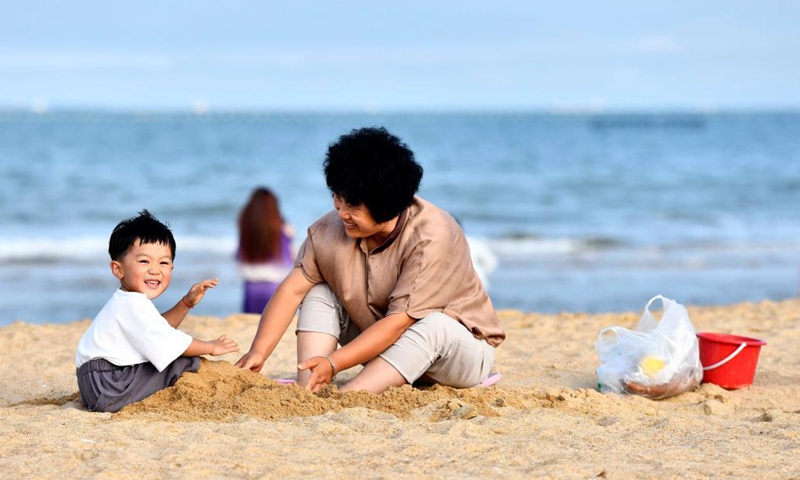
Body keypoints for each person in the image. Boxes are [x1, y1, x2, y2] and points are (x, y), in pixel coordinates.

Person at [236, 127, 505, 394]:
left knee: (434, 325)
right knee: (318, 289)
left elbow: (399, 323)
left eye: (352, 205)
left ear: (386, 203)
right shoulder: (328, 231)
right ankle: (309, 387)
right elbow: (291, 289)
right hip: (386, 349)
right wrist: (259, 351)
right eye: (338, 200)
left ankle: (348, 397)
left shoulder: (432, 235)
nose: (342, 213)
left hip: (457, 355)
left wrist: (335, 363)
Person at [75, 210, 239, 413]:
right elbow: (169, 341)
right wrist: (211, 346)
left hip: (95, 384)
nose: (155, 270)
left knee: (173, 356)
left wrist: (186, 303)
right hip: (111, 384)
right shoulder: (133, 305)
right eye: (144, 261)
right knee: (183, 361)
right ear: (118, 269)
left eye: (164, 262)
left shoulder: (127, 301)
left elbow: (158, 329)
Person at [237, 187, 295, 314]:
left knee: (253, 324)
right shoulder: (283, 229)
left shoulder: (245, 227)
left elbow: (239, 256)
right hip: (275, 287)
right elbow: (289, 259)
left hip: (251, 287)